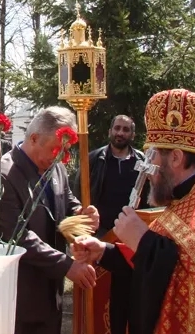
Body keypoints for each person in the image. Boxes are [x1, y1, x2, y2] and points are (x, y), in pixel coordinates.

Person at [72, 89, 195, 334]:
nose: (149, 166)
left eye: (154, 155)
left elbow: (194, 274)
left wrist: (143, 240)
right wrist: (105, 251)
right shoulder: (191, 195)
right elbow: (170, 256)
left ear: (175, 157)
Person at [0, 106, 100, 334]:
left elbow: (65, 199)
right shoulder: (2, 174)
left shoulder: (55, 166)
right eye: (55, 149)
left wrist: (81, 212)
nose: (60, 156)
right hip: (21, 296)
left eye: (65, 150)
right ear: (33, 138)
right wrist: (66, 265)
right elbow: (16, 235)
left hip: (52, 294)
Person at [72, 114, 148, 334]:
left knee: (128, 295)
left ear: (132, 134)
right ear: (110, 131)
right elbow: (80, 194)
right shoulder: (95, 159)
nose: (120, 133)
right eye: (117, 128)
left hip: (130, 239)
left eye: (126, 130)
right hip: (101, 237)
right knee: (102, 295)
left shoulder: (142, 163)